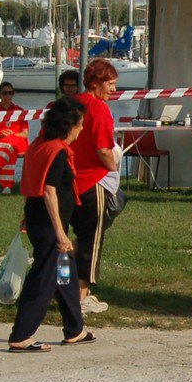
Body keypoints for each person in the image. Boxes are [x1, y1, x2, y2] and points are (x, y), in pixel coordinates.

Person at [7, 96, 93, 351]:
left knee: (64, 275)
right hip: (48, 225)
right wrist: (60, 234)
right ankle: (21, 335)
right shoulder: (56, 151)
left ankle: (74, 328)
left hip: (41, 219)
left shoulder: (41, 145)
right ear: (68, 125)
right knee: (43, 278)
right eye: (80, 124)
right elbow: (48, 190)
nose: (82, 129)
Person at [69, 58, 119, 314]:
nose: (113, 90)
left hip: (67, 181)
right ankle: (81, 294)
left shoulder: (67, 103)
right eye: (110, 84)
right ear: (96, 83)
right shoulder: (99, 109)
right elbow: (103, 148)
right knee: (92, 240)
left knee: (68, 239)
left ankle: (61, 285)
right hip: (91, 181)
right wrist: (114, 165)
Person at [0, 82, 30, 193]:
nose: (8, 95)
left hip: (17, 143)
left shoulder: (19, 111)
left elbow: (25, 133)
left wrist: (12, 136)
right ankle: (6, 186)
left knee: (10, 142)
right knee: (8, 145)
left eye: (10, 93)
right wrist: (1, 136)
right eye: (5, 93)